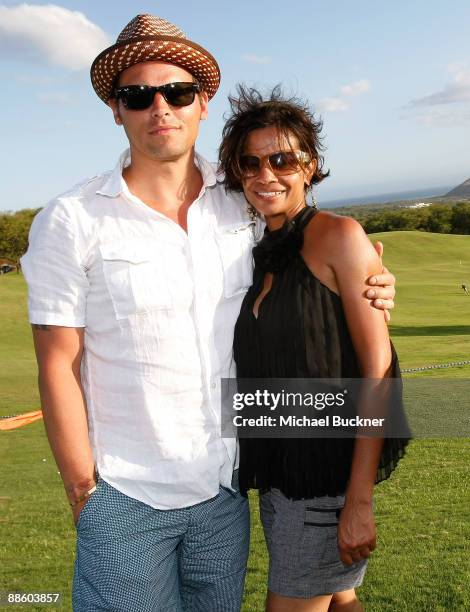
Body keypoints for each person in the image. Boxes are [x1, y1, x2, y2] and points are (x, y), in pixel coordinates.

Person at [21, 14, 396, 612]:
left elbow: (314, 251)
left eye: (178, 92)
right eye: (138, 96)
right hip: (124, 495)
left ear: (202, 102)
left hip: (224, 491)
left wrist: (372, 276)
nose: (160, 108)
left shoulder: (241, 198)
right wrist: (83, 490)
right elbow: (57, 362)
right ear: (116, 110)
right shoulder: (72, 219)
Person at [218, 86, 409, 612]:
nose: (265, 174)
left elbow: (378, 369)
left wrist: (359, 498)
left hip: (326, 477)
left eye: (281, 159)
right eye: (250, 162)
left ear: (310, 164)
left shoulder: (338, 235)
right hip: (282, 470)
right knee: (340, 598)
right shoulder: (259, 252)